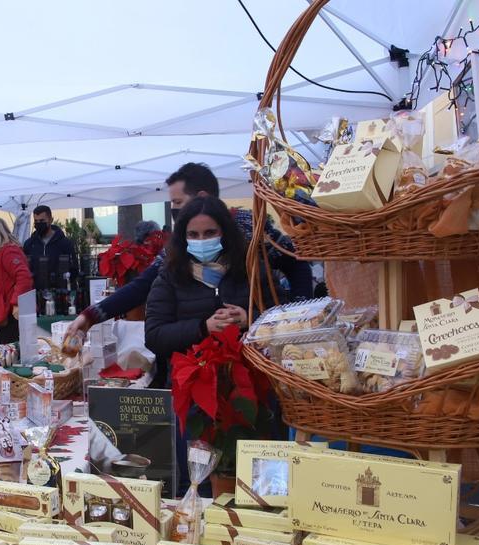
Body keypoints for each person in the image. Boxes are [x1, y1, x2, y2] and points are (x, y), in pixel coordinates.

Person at [69, 162, 314, 336]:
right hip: (196, 358)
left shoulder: (250, 226)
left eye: (177, 202)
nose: (174, 210)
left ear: (201, 197)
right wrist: (92, 315)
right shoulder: (180, 243)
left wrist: (296, 315)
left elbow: (295, 261)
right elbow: (143, 285)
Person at [146, 196, 268, 497]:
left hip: (246, 391)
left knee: (249, 474)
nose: (202, 240)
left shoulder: (250, 270)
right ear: (183, 236)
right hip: (195, 396)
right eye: (194, 235)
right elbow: (155, 335)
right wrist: (203, 327)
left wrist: (249, 318)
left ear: (224, 231)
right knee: (197, 478)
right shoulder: (170, 277)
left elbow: (278, 317)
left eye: (209, 233)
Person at [0, 217, 33, 346]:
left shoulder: (8, 252)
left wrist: (16, 303)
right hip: (8, 310)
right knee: (6, 350)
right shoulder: (0, 253)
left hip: (12, 311)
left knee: (2, 351)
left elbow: (24, 276)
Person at [22, 205, 78, 314]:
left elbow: (74, 268)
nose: (39, 224)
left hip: (60, 297)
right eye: (36, 221)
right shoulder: (29, 244)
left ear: (51, 219)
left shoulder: (65, 243)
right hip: (35, 297)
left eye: (42, 220)